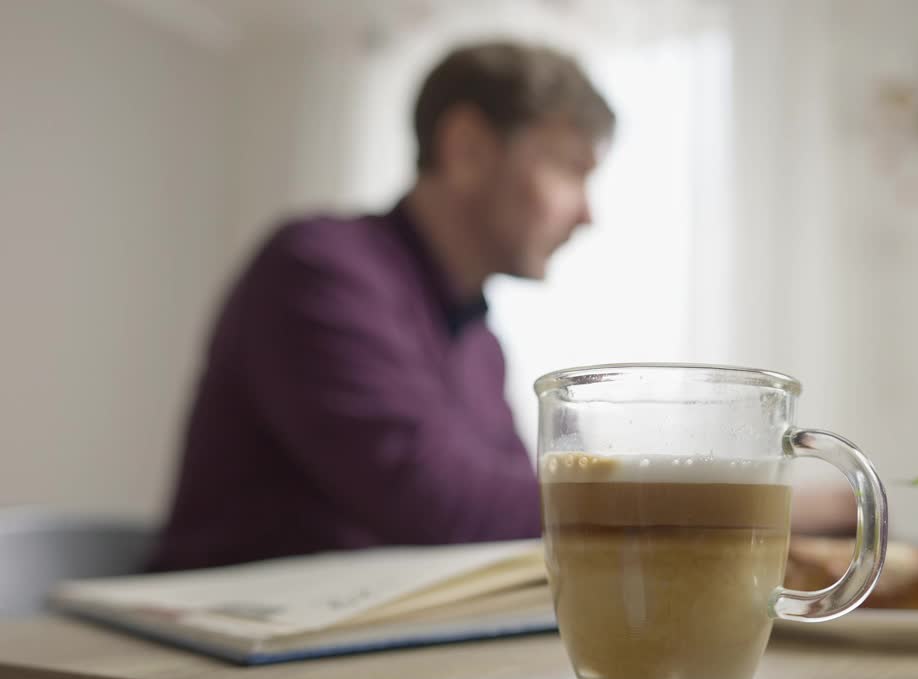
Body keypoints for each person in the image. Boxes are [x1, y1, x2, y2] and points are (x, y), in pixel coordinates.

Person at [148, 41, 614, 571]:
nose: (587, 214)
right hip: (223, 639)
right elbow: (430, 500)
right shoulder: (318, 268)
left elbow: (510, 497)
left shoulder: (481, 343)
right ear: (467, 150)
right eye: (570, 169)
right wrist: (641, 497)